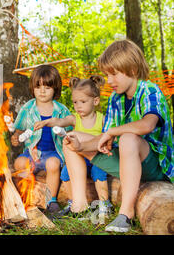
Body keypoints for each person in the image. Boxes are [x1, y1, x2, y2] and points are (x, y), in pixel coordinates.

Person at [63, 39, 173, 232]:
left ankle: (126, 214)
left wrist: (113, 132)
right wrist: (80, 147)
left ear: (131, 69)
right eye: (107, 74)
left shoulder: (149, 90)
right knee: (72, 138)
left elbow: (148, 125)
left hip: (155, 164)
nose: (109, 80)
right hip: (125, 161)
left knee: (129, 138)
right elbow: (105, 138)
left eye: (114, 74)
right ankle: (79, 205)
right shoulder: (115, 99)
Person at [34, 75, 112, 218]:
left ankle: (104, 204)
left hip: (96, 157)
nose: (78, 106)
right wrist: (46, 122)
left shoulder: (102, 119)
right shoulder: (74, 118)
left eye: (83, 101)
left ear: (95, 101)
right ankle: (73, 202)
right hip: (79, 160)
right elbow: (60, 121)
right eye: (75, 102)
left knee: (99, 172)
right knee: (65, 173)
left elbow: (109, 138)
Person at [11, 65, 72, 214]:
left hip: (53, 152)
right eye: (38, 87)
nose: (42, 91)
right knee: (19, 163)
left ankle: (51, 200)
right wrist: (16, 138)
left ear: (55, 88)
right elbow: (19, 129)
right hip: (32, 152)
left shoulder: (61, 110)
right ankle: (29, 195)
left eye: (47, 87)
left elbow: (70, 132)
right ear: (33, 88)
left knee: (53, 165)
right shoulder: (28, 108)